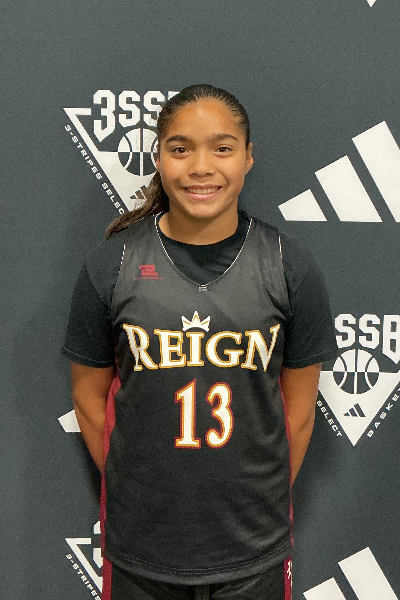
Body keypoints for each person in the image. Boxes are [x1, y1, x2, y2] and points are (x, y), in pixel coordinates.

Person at [63, 84, 338, 600]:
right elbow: (88, 398)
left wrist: (255, 499)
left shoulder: (289, 266)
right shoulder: (112, 264)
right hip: (141, 547)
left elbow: (299, 416)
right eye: (181, 148)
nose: (201, 167)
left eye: (223, 148)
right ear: (159, 158)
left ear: (248, 157)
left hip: (253, 548)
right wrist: (139, 489)